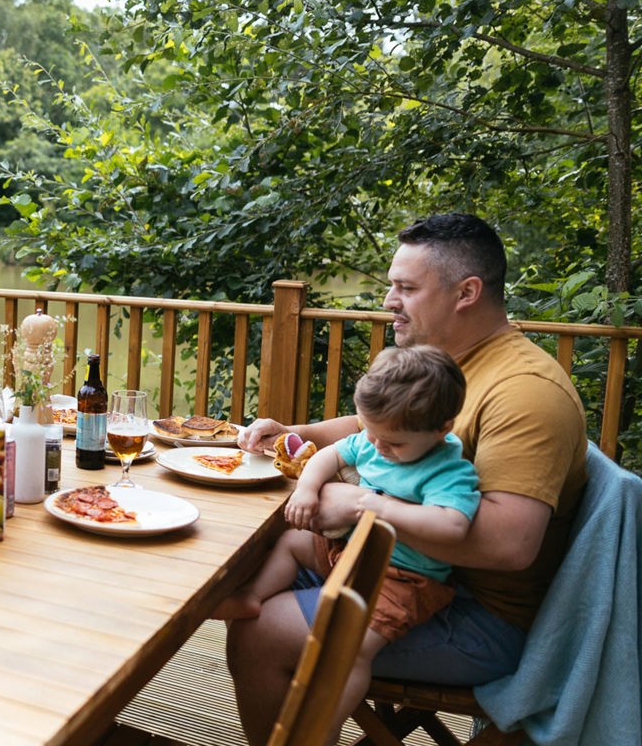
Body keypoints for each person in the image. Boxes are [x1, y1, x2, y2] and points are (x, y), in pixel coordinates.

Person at [233, 213, 587, 744]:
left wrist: (358, 504)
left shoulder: (525, 392)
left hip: (474, 613)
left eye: (406, 288)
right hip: (402, 571)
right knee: (253, 564)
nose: (389, 301)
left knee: (261, 631)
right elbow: (370, 428)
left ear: (466, 292)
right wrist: (295, 431)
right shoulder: (449, 362)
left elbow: (511, 546)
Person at [213, 345, 481, 741]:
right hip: (351, 551)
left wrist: (374, 505)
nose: (377, 448)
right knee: (292, 541)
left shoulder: (448, 471)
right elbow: (332, 455)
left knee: (350, 650)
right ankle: (252, 595)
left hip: (402, 579)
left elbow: (453, 526)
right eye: (371, 433)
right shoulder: (380, 437)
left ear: (441, 429)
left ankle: (319, 725)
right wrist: (307, 489)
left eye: (393, 443)